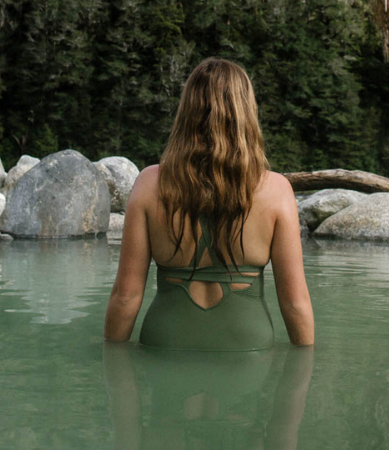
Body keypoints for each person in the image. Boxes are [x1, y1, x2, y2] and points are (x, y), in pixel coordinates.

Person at [104, 57, 315, 349]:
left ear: (186, 113)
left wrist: (112, 367)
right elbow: (294, 303)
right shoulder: (276, 189)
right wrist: (302, 375)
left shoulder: (149, 184)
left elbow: (125, 297)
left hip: (165, 344)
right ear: (246, 112)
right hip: (246, 348)